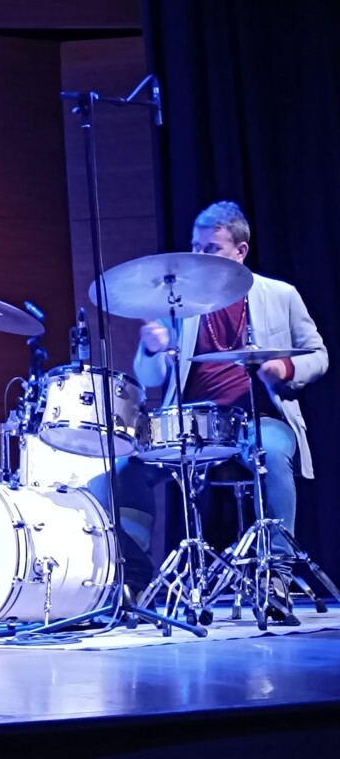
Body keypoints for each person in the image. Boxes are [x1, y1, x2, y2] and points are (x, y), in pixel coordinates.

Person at [105, 201, 327, 603]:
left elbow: (318, 354)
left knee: (273, 455)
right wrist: (153, 350)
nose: (199, 257)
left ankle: (275, 573)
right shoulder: (180, 303)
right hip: (187, 424)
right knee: (124, 471)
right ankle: (135, 580)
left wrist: (285, 369)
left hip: (258, 419)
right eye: (196, 247)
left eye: (212, 249)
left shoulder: (280, 295)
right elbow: (151, 379)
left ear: (240, 252)